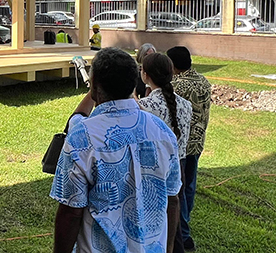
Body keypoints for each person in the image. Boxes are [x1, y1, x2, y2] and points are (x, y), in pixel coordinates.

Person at [51, 47, 181, 253]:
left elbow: (71, 212)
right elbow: (172, 199)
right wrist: (169, 247)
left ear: (94, 85)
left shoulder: (83, 136)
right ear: (134, 83)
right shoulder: (162, 132)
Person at [138, 52, 194, 253]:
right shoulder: (186, 105)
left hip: (153, 170)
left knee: (152, 223)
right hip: (178, 168)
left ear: (145, 75)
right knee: (174, 224)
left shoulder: (143, 107)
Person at [166, 46, 211, 252]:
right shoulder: (204, 81)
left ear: (173, 65)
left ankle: (183, 232)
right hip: (197, 142)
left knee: (179, 188)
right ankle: (185, 222)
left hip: (181, 145)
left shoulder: (176, 85)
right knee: (190, 185)